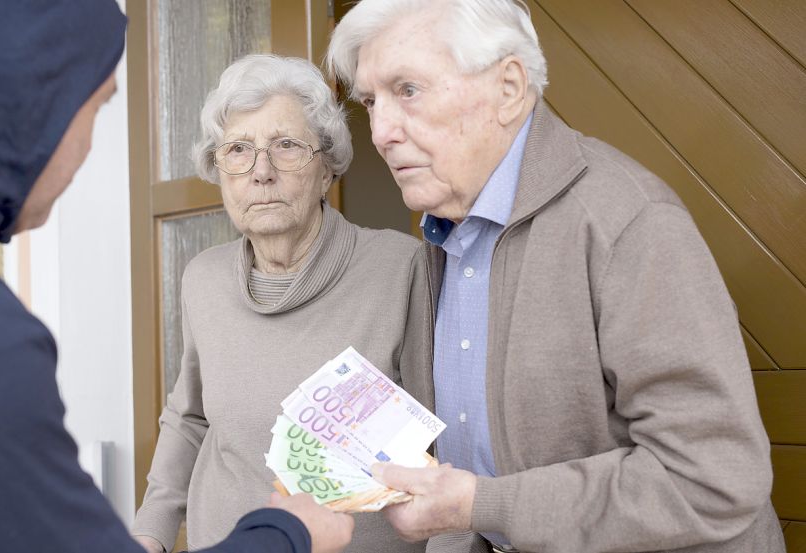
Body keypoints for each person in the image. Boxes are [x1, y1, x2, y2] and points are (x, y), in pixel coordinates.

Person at [0, 2, 352, 553]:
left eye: (286, 146)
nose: (86, 151)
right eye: (97, 109)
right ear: (39, 103)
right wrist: (287, 533)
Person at [325, 1, 784, 552]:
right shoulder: (442, 234)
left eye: (408, 90)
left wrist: (481, 505)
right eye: (371, 101)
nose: (380, 132)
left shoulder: (628, 221)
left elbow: (713, 478)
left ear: (509, 87)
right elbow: (464, 467)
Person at [131, 54, 434, 553]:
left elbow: (451, 445)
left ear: (326, 169)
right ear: (220, 171)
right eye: (239, 150)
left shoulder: (402, 270)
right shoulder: (203, 279)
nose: (261, 172)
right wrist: (151, 531)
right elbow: (189, 417)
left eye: (287, 146)